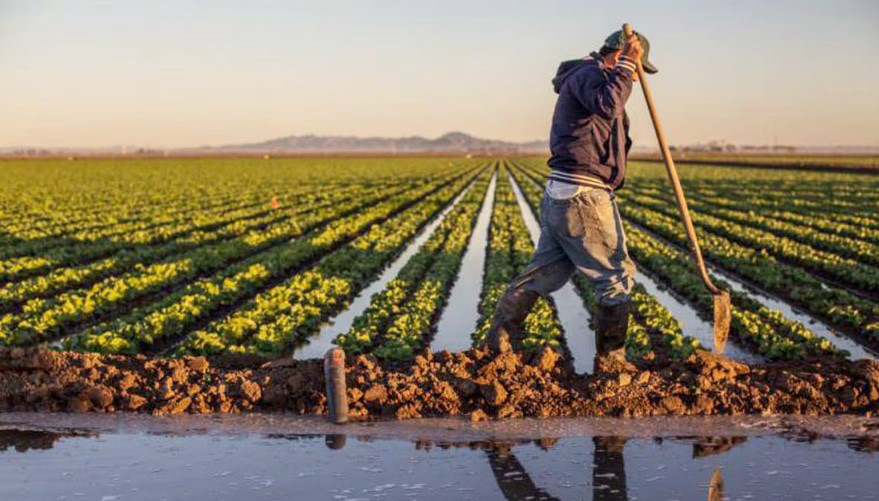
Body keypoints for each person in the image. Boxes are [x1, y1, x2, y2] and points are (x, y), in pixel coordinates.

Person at [485, 29, 658, 372]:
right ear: (617, 56)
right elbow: (609, 105)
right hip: (582, 196)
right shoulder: (590, 75)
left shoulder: (592, 78)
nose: (637, 78)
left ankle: (497, 346)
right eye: (637, 69)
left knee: (544, 273)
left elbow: (610, 118)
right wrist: (626, 65)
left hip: (566, 194)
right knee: (615, 275)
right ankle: (612, 362)